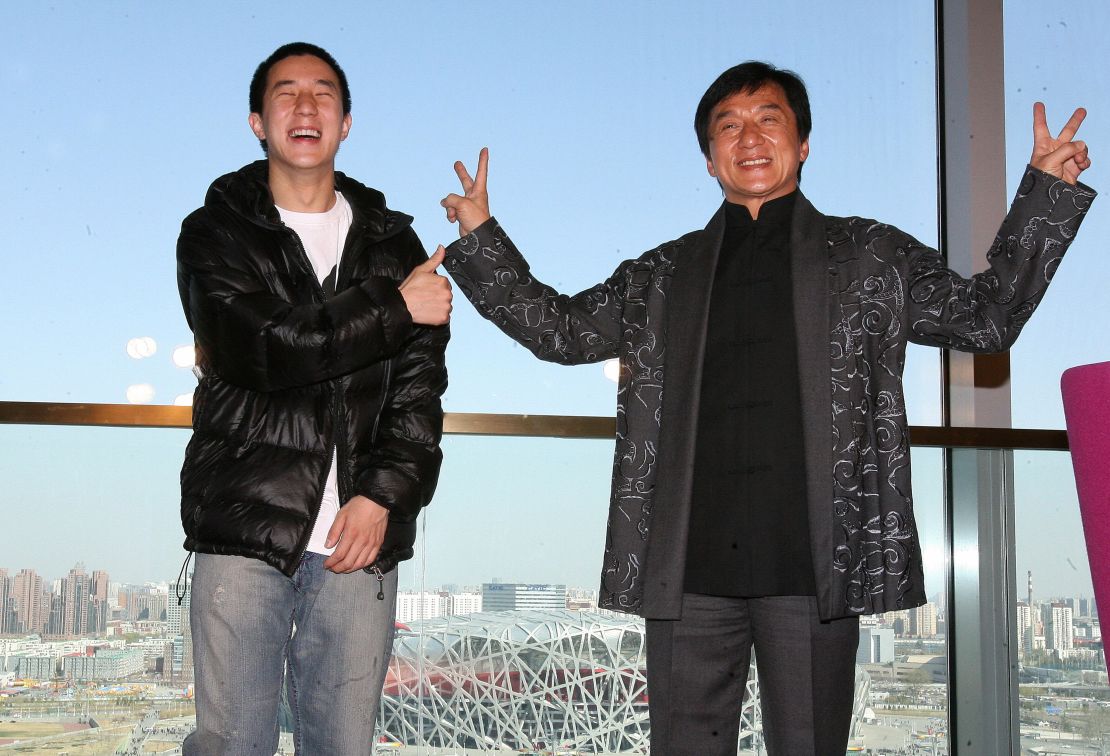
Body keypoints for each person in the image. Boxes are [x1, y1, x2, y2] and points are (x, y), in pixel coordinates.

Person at [439, 61, 1094, 754]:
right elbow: (562, 331)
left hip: (816, 566)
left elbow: (985, 317)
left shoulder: (869, 256)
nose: (749, 137)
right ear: (710, 156)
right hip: (686, 569)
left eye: (768, 120)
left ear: (803, 143)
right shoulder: (663, 273)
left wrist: (1047, 194)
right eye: (729, 126)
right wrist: (481, 236)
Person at [176, 42, 451, 754]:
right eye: (286, 93)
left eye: (323, 93)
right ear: (256, 121)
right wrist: (395, 306)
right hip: (244, 527)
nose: (305, 107)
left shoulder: (394, 243)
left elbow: (419, 399)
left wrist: (383, 495)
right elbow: (263, 349)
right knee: (232, 742)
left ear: (347, 121)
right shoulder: (216, 233)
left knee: (342, 744)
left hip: (359, 542)